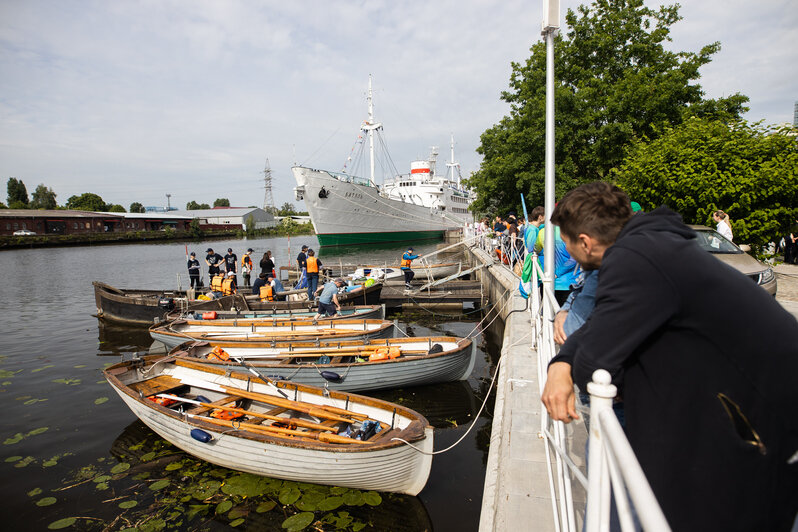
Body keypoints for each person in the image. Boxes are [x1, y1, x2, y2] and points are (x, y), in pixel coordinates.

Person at [541, 182, 798, 532]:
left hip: (767, 420)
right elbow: (602, 325)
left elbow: (595, 362)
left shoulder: (633, 262)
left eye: (568, 244)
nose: (569, 254)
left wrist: (567, 364)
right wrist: (560, 363)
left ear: (585, 242)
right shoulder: (654, 244)